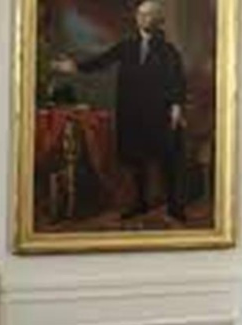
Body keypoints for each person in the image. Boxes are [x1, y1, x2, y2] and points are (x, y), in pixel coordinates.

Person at [52, 0, 187, 222]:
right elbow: (102, 61)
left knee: (167, 159)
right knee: (135, 158)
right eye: (140, 14)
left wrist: (176, 107)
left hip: (158, 113)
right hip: (132, 111)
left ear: (158, 20)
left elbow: (177, 81)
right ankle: (140, 202)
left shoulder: (168, 50)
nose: (142, 18)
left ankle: (175, 206)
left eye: (148, 15)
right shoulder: (127, 46)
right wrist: (74, 67)